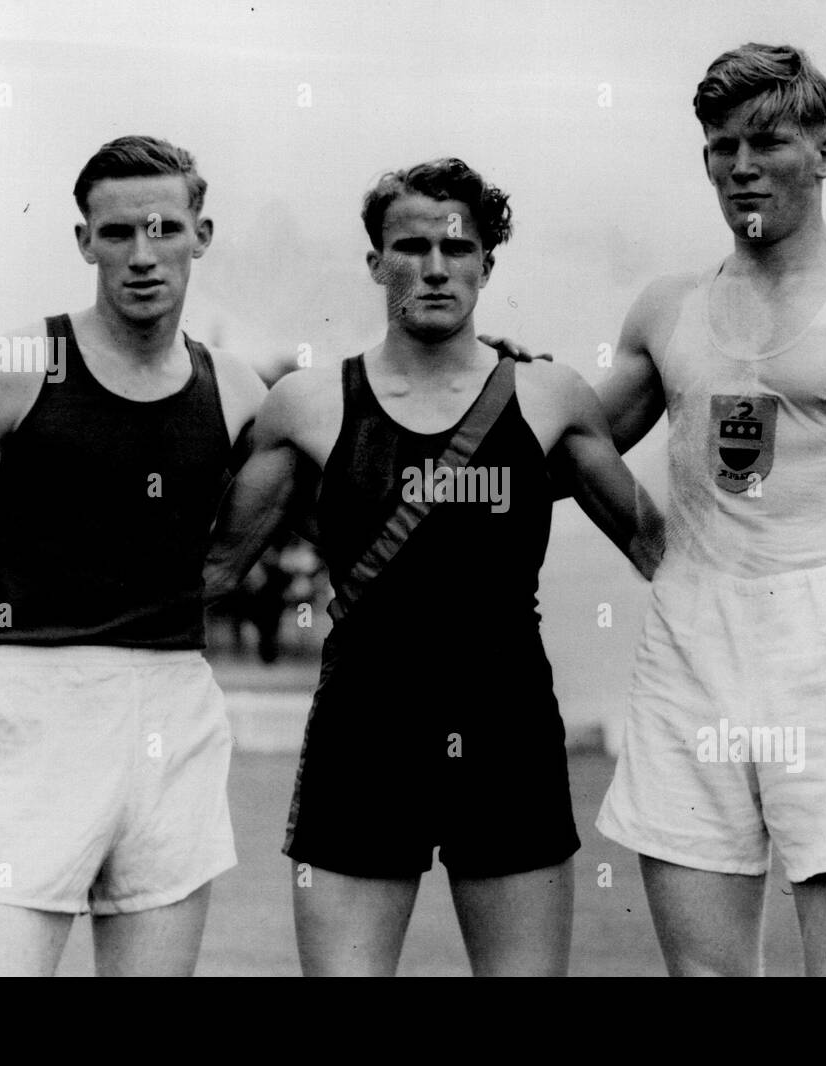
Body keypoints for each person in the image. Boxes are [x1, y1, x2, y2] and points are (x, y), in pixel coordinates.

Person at [204, 158, 665, 976]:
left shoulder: (549, 397)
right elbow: (211, 572)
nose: (434, 266)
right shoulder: (310, 404)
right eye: (409, 246)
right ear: (376, 263)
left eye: (458, 248)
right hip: (362, 736)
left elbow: (657, 550)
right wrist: (23, 616)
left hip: (507, 733)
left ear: (487, 263)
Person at [590, 43, 826, 976]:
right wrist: (651, 544)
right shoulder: (668, 308)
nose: (742, 165)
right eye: (723, 146)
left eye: (767, 141)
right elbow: (570, 446)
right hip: (691, 640)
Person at [0, 135, 268, 976]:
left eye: (166, 229)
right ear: (83, 241)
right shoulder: (19, 366)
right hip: (39, 706)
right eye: (117, 233)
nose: (142, 255)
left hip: (176, 709)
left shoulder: (237, 390)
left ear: (201, 236)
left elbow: (244, 539)